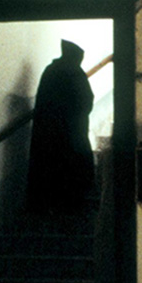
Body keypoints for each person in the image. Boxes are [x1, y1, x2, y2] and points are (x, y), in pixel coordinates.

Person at [26, 39, 95, 212]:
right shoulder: (74, 72)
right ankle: (72, 205)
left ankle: (49, 206)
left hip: (49, 134)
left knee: (51, 168)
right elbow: (86, 100)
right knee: (75, 167)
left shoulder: (51, 71)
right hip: (72, 132)